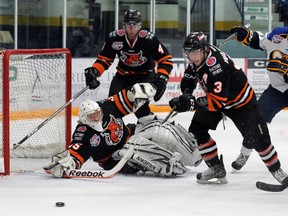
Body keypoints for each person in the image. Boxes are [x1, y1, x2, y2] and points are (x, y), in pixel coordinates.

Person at [168, 31, 288, 186]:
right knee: (198, 129)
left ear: (204, 50)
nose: (191, 57)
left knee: (259, 140)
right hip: (219, 99)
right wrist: (187, 88)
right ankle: (216, 168)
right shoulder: (199, 55)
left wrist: (191, 104)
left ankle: (278, 171)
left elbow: (217, 102)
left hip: (241, 104)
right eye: (188, 53)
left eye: (194, 53)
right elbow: (193, 70)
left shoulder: (217, 67)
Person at [43, 82, 202, 178]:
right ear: (84, 118)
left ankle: (193, 153)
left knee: (156, 127)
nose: (97, 117)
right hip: (114, 160)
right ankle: (170, 165)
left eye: (98, 113)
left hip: (130, 134)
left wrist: (137, 92)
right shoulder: (83, 133)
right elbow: (75, 155)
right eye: (92, 116)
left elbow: (126, 98)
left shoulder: (106, 107)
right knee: (136, 146)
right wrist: (65, 165)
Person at [84, 9, 173, 118]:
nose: (131, 29)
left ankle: (150, 126)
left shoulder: (149, 39)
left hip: (145, 77)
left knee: (140, 107)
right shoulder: (114, 38)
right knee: (111, 110)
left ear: (140, 25)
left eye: (134, 25)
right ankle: (114, 133)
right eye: (128, 25)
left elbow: (165, 59)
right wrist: (95, 71)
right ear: (124, 25)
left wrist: (162, 77)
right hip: (122, 77)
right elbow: (105, 59)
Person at [229, 26, 288, 171]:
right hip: (276, 90)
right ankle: (244, 154)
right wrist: (246, 35)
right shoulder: (278, 36)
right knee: (255, 122)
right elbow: (259, 39)